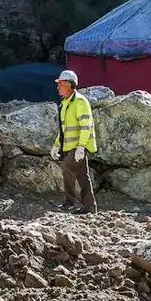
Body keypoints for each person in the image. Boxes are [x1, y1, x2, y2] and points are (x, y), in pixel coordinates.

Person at [50, 69, 98, 214]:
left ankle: (76, 203)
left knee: (67, 168)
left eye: (61, 84)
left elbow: (86, 125)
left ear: (70, 85)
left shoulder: (80, 102)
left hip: (78, 146)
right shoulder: (65, 103)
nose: (58, 87)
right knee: (81, 176)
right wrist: (56, 145)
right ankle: (84, 206)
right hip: (70, 146)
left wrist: (81, 147)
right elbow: (64, 129)